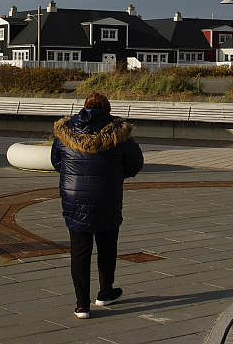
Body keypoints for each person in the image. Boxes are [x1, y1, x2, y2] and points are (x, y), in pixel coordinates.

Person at [51, 92, 144, 320]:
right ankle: (105, 292)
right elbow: (135, 163)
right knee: (107, 246)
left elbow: (56, 162)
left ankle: (82, 305)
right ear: (107, 110)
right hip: (107, 196)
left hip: (74, 198)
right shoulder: (119, 133)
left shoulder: (65, 132)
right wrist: (117, 174)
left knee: (79, 251)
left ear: (84, 107)